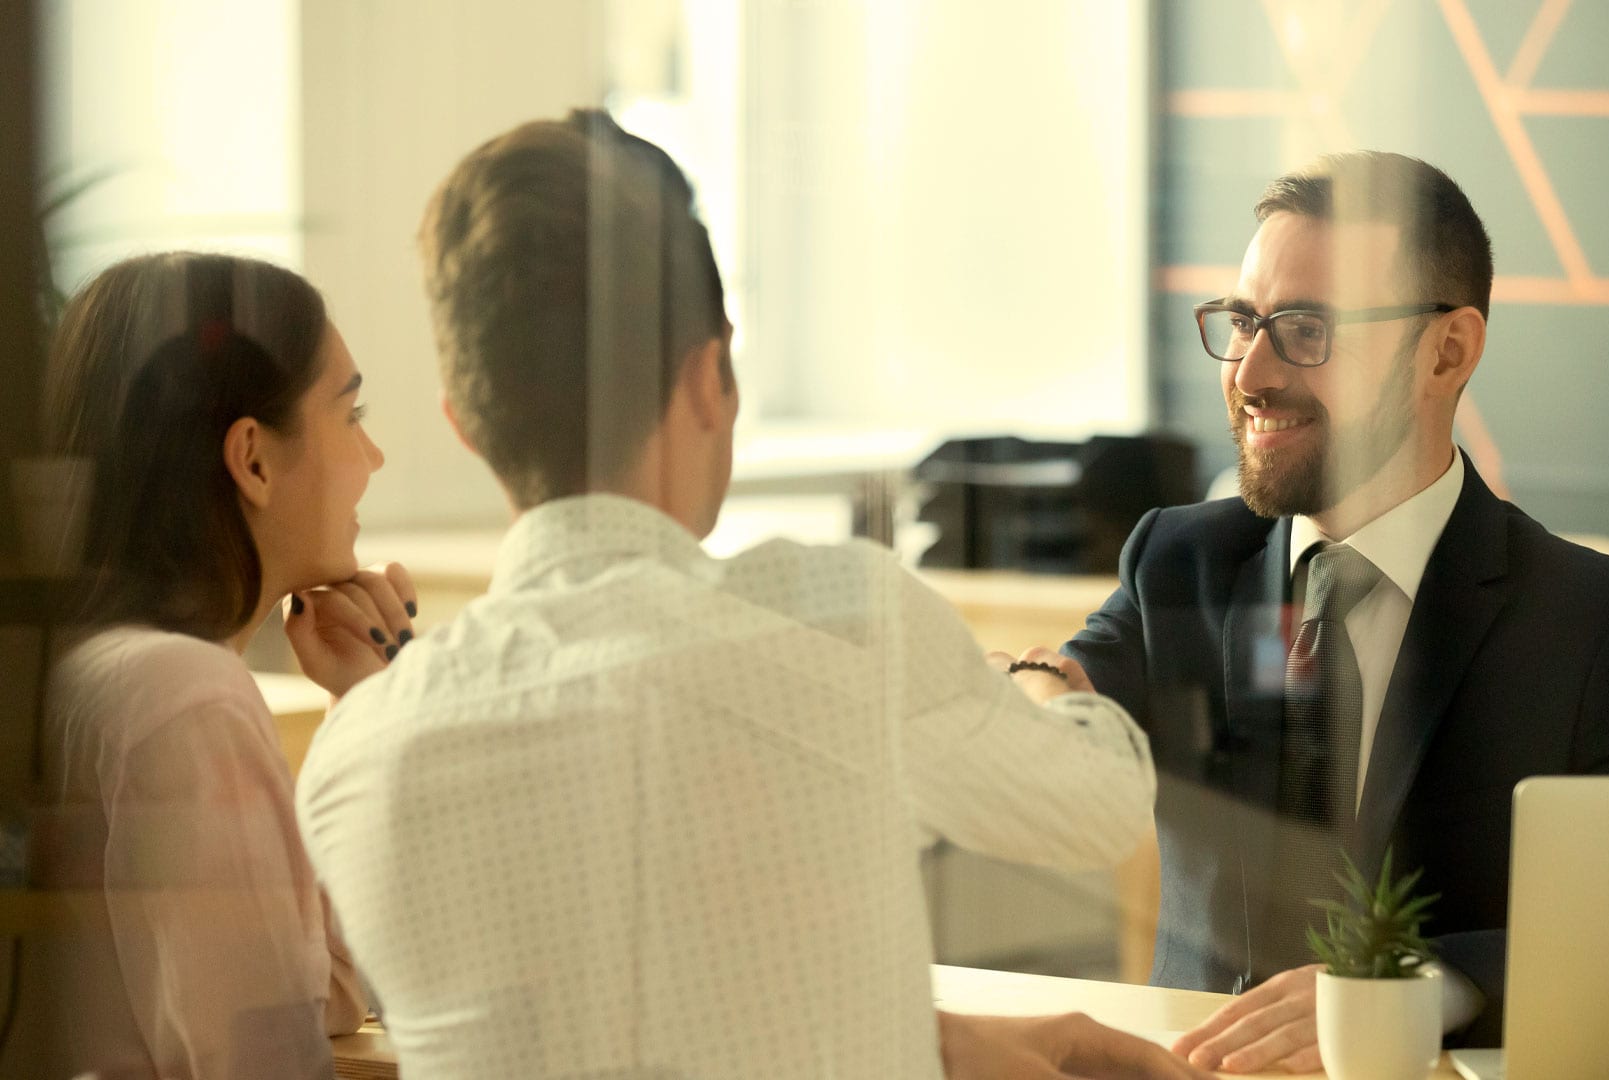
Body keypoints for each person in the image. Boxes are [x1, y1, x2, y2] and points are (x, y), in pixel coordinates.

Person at [293, 110, 1205, 1080]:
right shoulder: (838, 618)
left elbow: (613, 1010)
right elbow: (1100, 808)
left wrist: (937, 1042)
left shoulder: (356, 758)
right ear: (707, 377)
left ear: (466, 425)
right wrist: (1037, 683)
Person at [1059, 151, 1609, 1072]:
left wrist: (1408, 990)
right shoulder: (1179, 562)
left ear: (1448, 352)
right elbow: (1067, 697)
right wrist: (1034, 689)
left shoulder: (1606, 626)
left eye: (1307, 329)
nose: (1249, 373)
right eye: (1243, 322)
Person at [9, 252, 418, 1079]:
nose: (373, 457)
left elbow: (323, 992)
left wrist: (357, 705)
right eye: (351, 414)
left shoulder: (97, 666)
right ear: (253, 460)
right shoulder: (185, 695)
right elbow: (267, 1060)